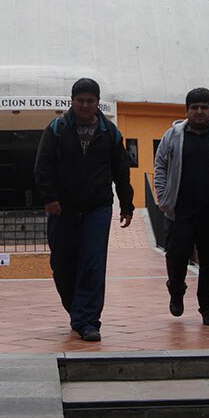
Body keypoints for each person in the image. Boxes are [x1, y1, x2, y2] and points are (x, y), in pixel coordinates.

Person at [34, 78, 135, 342]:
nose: (86, 105)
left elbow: (121, 171)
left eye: (91, 101)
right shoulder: (57, 129)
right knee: (62, 263)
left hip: (97, 208)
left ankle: (89, 321)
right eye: (81, 100)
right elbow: (42, 167)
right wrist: (49, 198)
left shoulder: (110, 132)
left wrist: (127, 204)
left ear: (98, 102)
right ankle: (76, 310)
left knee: (92, 262)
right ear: (72, 101)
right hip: (62, 209)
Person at [153, 87, 209, 326]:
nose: (199, 112)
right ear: (187, 110)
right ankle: (176, 291)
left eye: (204, 107)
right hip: (180, 211)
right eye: (194, 107)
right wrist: (164, 199)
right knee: (176, 257)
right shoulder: (173, 135)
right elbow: (160, 167)